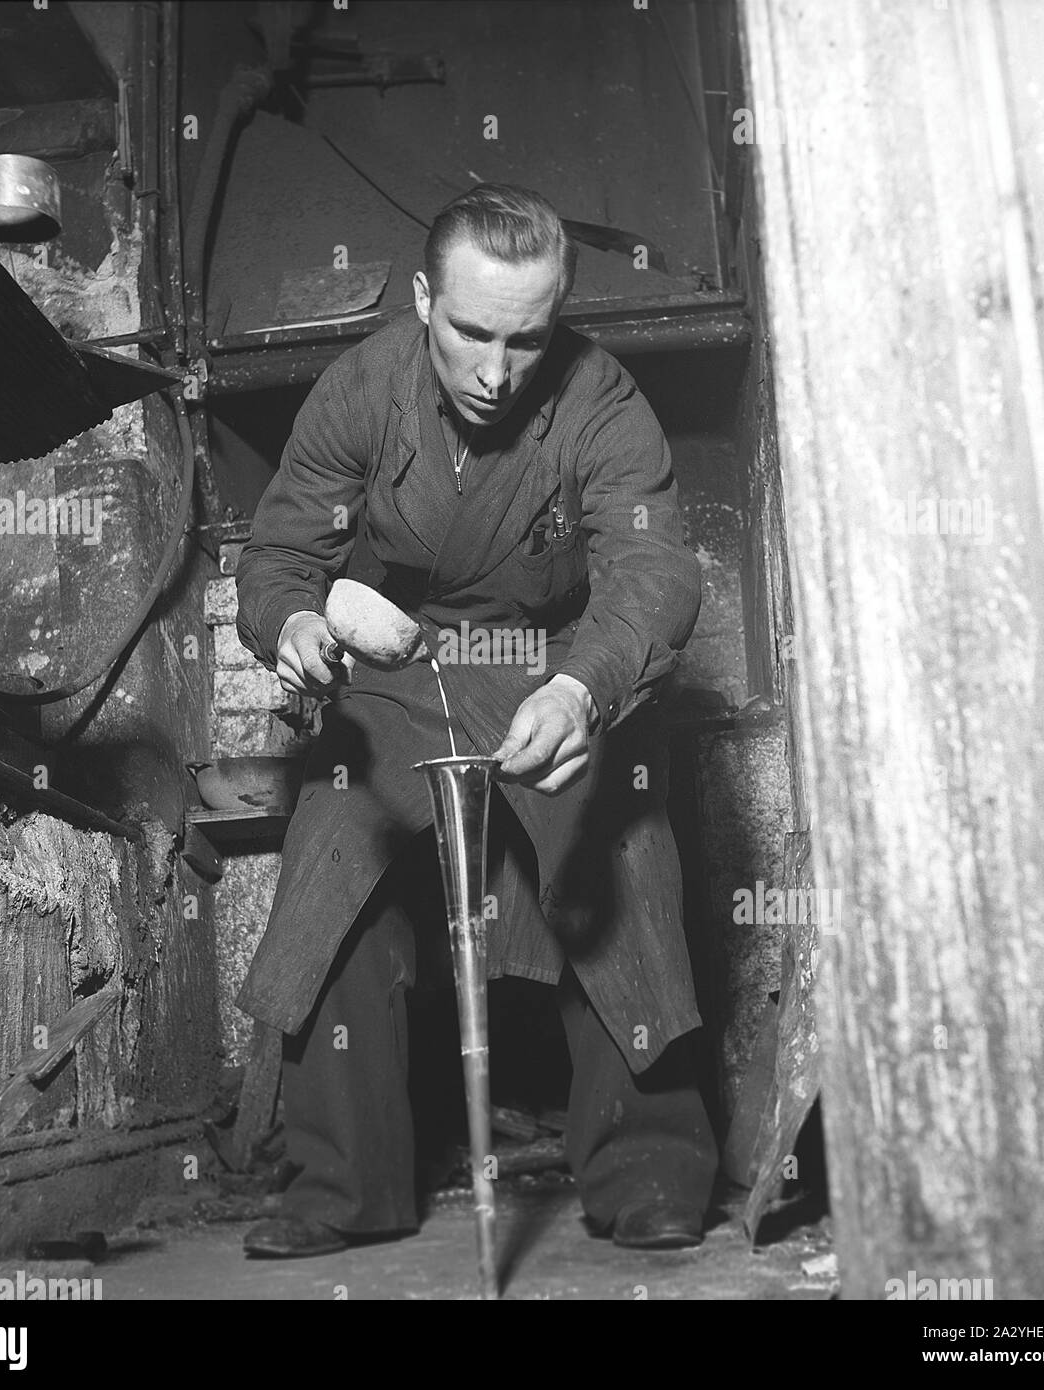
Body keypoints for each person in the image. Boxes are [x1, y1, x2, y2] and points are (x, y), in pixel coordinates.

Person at [234, 184, 717, 1258]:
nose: (496, 374)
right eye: (469, 333)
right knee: (333, 835)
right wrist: (298, 624)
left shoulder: (601, 397)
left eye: (525, 340)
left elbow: (651, 570)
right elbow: (275, 560)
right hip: (404, 669)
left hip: (551, 658)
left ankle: (649, 1165)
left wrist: (587, 688)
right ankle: (342, 1183)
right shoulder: (360, 388)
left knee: (622, 843)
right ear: (420, 300)